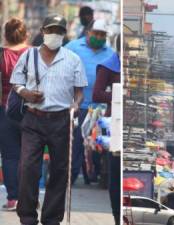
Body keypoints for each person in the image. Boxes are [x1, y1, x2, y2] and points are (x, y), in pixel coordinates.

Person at [10, 14, 87, 225]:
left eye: (60, 31)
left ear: (64, 34)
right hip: (33, 119)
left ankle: (52, 218)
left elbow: (79, 91)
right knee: (27, 168)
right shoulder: (28, 55)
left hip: (61, 120)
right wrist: (26, 94)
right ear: (43, 31)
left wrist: (76, 104)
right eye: (51, 30)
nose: (55, 34)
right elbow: (16, 82)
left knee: (60, 171)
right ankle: (27, 216)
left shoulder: (72, 59)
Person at [65, 19, 115, 185]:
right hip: (79, 106)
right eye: (96, 33)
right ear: (88, 32)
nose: (99, 37)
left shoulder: (111, 53)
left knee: (100, 145)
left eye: (102, 35)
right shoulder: (73, 47)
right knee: (76, 145)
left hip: (101, 110)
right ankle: (69, 179)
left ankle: (100, 176)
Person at [0, 18, 29, 211]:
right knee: (31, 155)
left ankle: (13, 199)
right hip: (32, 109)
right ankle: (29, 198)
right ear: (25, 34)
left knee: (10, 156)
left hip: (6, 109)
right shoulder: (35, 54)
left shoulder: (1, 55)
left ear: (5, 35)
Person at [92, 34, 121, 225]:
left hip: (134, 120)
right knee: (115, 171)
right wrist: (118, 96)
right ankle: (116, 216)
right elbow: (97, 93)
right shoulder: (108, 65)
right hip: (115, 122)